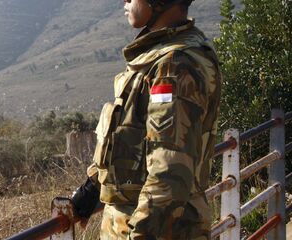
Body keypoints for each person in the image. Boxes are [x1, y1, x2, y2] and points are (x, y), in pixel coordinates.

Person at [71, 0, 222, 239]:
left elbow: (169, 174)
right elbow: (133, 138)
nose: (125, 1)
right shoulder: (161, 55)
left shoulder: (175, 65)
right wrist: (94, 184)